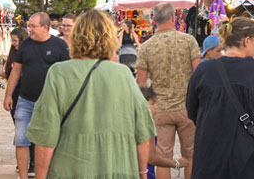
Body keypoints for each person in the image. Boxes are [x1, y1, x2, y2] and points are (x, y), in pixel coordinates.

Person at [26, 10, 156, 178]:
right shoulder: (123, 75)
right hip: (117, 169)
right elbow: (143, 133)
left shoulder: (59, 73)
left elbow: (45, 135)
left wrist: (41, 176)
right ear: (110, 39)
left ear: (76, 37)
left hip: (71, 169)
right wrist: (142, 173)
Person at [186, 17, 254, 179]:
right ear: (247, 40)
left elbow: (192, 111)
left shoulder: (204, 70)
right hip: (247, 159)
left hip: (209, 156)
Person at [136, 2, 202, 179]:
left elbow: (141, 84)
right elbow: (199, 74)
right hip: (187, 108)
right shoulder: (188, 41)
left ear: (155, 20)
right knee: (191, 155)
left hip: (160, 109)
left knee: (162, 157)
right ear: (173, 17)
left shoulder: (146, 47)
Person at [5, 12, 70, 179]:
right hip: (26, 99)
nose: (30, 29)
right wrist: (8, 95)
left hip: (51, 102)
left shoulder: (59, 46)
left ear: (45, 27)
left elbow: (67, 74)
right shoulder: (25, 44)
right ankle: (24, 176)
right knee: (21, 140)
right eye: (29, 26)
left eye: (33, 26)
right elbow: (16, 71)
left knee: (50, 140)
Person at [140, 86, 191, 179]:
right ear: (142, 104)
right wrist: (176, 163)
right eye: (153, 103)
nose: (156, 106)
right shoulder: (147, 127)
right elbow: (152, 159)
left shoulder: (131, 124)